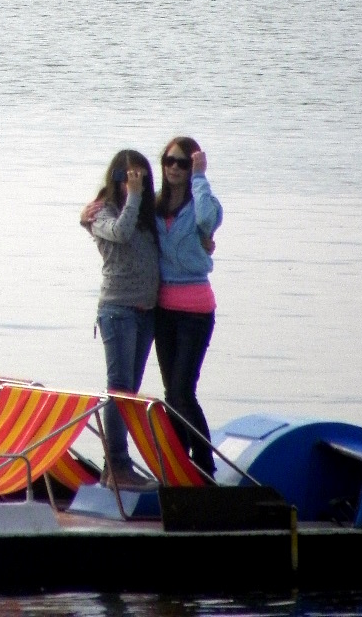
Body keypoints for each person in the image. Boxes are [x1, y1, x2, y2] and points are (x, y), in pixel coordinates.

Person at [80, 150, 159, 488]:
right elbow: (121, 232)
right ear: (116, 179)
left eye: (140, 177)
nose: (134, 184)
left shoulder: (146, 214)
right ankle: (119, 466)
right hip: (118, 311)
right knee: (119, 390)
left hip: (146, 313)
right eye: (128, 177)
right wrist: (134, 197)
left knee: (130, 391)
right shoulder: (101, 213)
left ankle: (110, 469)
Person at [154, 137, 223, 477]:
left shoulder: (202, 203)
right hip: (163, 311)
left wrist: (200, 177)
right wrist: (89, 214)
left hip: (196, 310)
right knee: (172, 393)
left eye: (183, 163)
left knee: (183, 391)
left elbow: (208, 221)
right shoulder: (155, 205)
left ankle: (205, 465)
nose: (175, 168)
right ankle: (178, 465)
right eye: (169, 161)